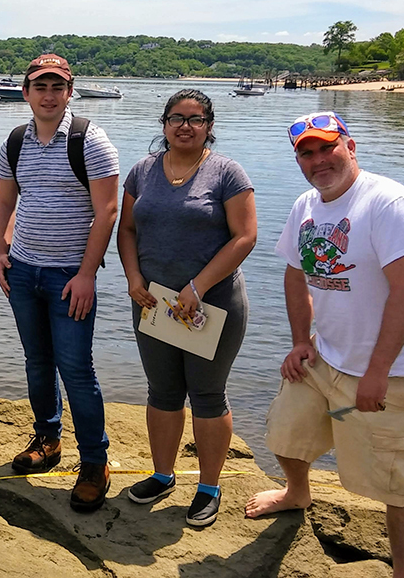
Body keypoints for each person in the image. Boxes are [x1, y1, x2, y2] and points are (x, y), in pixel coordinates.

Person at [245, 112, 404, 578]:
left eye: (327, 147)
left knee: (400, 485)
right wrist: (298, 342)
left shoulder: (389, 202)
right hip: (325, 355)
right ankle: (296, 493)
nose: (317, 160)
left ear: (350, 147)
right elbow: (295, 274)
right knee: (285, 433)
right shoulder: (307, 205)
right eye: (305, 153)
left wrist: (377, 371)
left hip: (393, 371)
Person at [116, 89, 256, 527]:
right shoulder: (142, 171)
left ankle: (209, 486)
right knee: (162, 391)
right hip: (154, 303)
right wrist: (134, 278)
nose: (184, 126)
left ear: (209, 125)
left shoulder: (227, 172)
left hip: (211, 304)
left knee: (208, 394)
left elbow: (245, 236)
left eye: (195, 119)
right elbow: (127, 231)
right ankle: (162, 474)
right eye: (176, 118)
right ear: (163, 124)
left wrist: (198, 285)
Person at [0, 54, 119, 512]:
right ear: (26, 93)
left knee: (77, 370)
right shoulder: (13, 141)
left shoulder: (90, 140)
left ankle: (94, 462)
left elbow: (106, 211)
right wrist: (2, 252)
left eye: (57, 87)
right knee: (37, 362)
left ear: (69, 92)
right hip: (23, 271)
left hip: (70, 276)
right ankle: (48, 439)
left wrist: (87, 274)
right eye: (39, 87)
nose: (48, 95)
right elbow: (5, 201)